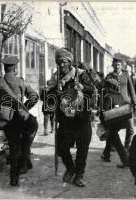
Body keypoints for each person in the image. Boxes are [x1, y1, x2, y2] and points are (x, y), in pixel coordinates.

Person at [46, 48, 94, 187]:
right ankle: (71, 168)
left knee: (82, 149)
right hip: (65, 121)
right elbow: (49, 98)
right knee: (61, 147)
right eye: (58, 62)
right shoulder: (55, 78)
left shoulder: (81, 74)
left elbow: (93, 89)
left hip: (82, 119)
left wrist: (82, 87)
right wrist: (55, 92)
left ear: (69, 62)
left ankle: (79, 175)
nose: (61, 65)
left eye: (64, 62)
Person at [0, 56, 39, 186]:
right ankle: (24, 164)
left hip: (6, 120)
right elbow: (34, 96)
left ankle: (14, 179)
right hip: (20, 118)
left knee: (14, 148)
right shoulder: (21, 82)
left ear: (4, 68)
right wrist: (25, 108)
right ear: (15, 68)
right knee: (25, 141)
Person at [106, 57, 136, 155]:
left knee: (130, 128)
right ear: (113, 65)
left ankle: (126, 147)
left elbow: (131, 90)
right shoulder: (109, 76)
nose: (117, 66)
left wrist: (135, 102)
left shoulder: (126, 75)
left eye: (119, 65)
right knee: (114, 129)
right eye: (115, 65)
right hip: (115, 105)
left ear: (121, 66)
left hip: (126, 104)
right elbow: (106, 92)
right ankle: (108, 149)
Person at [100, 78, 130, 167]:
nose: (105, 88)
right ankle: (106, 154)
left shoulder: (108, 97)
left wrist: (103, 124)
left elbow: (104, 111)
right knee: (111, 137)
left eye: (106, 86)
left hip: (112, 123)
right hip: (121, 122)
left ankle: (125, 160)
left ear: (109, 87)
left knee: (117, 142)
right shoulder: (120, 95)